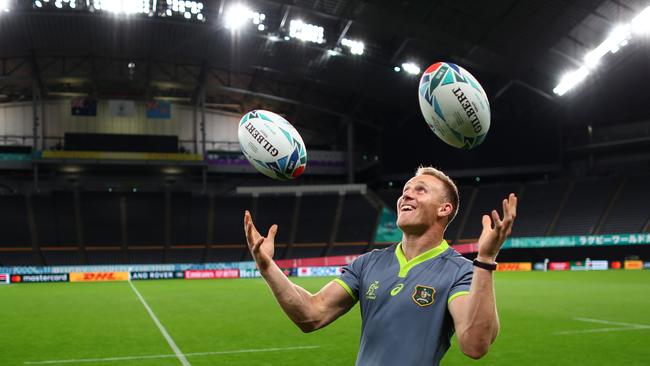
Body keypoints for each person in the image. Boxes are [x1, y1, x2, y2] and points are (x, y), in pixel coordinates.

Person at [243, 166, 517, 365]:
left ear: (444, 209)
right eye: (405, 190)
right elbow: (311, 314)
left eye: (420, 190)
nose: (405, 196)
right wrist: (267, 266)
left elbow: (474, 345)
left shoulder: (459, 271)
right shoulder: (367, 263)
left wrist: (486, 259)